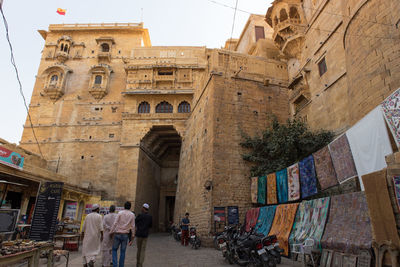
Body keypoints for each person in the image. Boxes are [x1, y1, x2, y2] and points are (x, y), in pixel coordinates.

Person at [110, 201, 135, 267]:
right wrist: (132, 237)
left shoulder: (120, 213)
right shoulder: (132, 215)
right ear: (130, 207)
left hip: (117, 234)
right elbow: (133, 226)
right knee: (123, 252)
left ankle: (115, 265)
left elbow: (115, 223)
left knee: (114, 250)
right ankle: (121, 265)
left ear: (124, 206)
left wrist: (111, 232)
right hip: (125, 235)